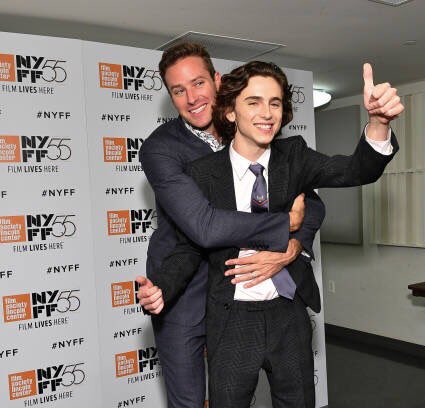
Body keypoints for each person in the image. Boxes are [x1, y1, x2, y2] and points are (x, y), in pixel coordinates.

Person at [150, 60, 402, 407]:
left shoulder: (294, 157)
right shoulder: (202, 173)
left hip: (288, 314)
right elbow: (189, 247)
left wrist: (378, 122)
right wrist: (162, 286)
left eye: (275, 103)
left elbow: (354, 170)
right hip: (232, 321)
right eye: (253, 102)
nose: (267, 113)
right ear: (230, 111)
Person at [136, 43, 326, 408]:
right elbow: (203, 225)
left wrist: (292, 247)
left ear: (217, 80)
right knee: (190, 402)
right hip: (183, 288)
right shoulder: (159, 149)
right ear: (170, 97)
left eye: (198, 83)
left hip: (245, 285)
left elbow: (310, 203)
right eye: (178, 90)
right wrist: (283, 223)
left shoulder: (249, 122)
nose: (192, 98)